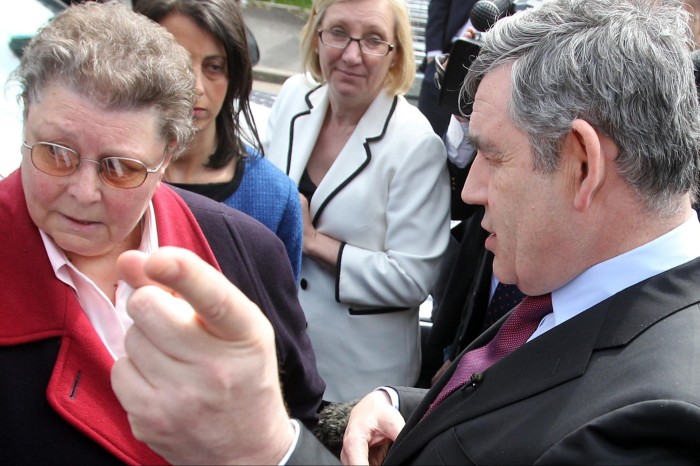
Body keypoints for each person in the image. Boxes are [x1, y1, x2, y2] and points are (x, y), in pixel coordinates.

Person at [111, 0, 700, 463]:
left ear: (581, 163)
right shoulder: (578, 285)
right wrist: (396, 401)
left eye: (492, 158)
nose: (469, 192)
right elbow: (507, 400)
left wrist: (267, 448)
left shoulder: (658, 425)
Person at [0, 2, 324, 463]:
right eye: (56, 153)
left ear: (167, 156)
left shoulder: (248, 252)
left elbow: (301, 412)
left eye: (120, 168)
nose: (83, 191)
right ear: (25, 121)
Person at [263, 0, 451, 402]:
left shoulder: (416, 144)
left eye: (372, 40)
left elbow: (412, 279)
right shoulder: (295, 96)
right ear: (317, 35)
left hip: (355, 380)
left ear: (395, 53)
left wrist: (313, 241)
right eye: (338, 33)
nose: (351, 54)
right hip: (275, 353)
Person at [134, 0, 304, 283]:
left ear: (234, 74)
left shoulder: (273, 196)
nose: (197, 87)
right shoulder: (110, 174)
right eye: (178, 65)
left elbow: (280, 318)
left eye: (214, 67)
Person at [417, 0, 479, 136]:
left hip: (488, 56)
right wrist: (434, 58)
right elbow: (438, 10)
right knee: (427, 132)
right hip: (448, 52)